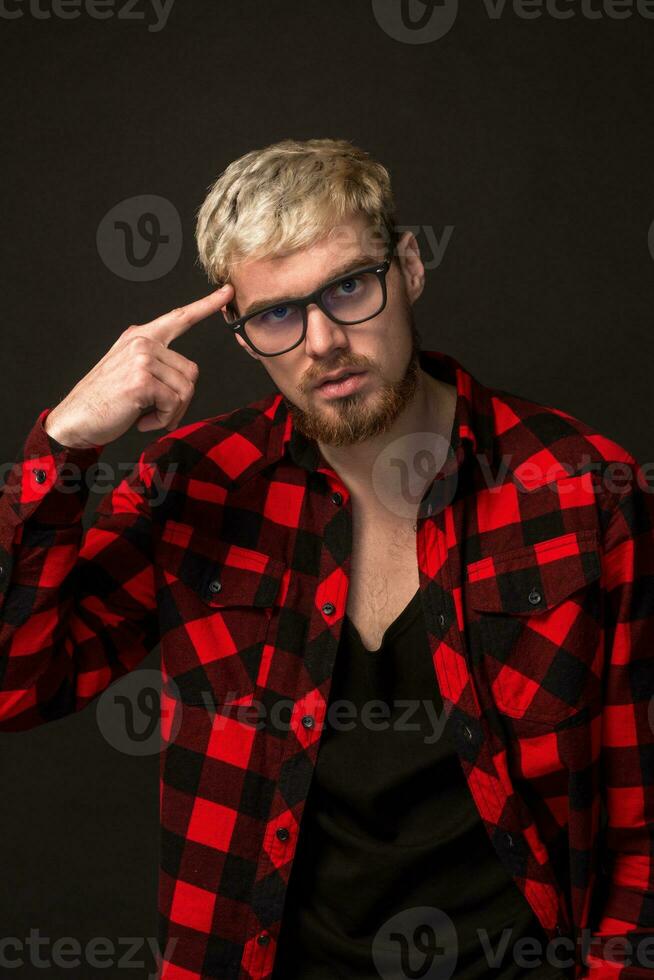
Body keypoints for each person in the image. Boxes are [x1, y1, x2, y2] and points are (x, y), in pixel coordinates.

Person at [0, 137, 651, 980]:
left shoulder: (580, 490)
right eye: (277, 312)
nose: (322, 342)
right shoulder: (194, 485)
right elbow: (16, 683)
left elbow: (641, 824)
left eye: (349, 287)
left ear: (409, 267)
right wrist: (63, 445)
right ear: (240, 335)